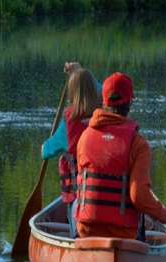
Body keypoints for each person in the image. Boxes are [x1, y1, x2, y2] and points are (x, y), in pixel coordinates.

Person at [74, 72, 166, 240]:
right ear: (130, 104)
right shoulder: (138, 144)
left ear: (103, 102)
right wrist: (165, 214)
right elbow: (139, 197)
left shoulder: (84, 137)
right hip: (124, 236)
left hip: (87, 232)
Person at [41, 62, 103, 238]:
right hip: (104, 197)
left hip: (79, 199)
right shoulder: (107, 115)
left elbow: (46, 152)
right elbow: (105, 90)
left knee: (75, 225)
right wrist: (80, 71)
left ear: (72, 92)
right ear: (95, 90)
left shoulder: (68, 123)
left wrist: (44, 147)